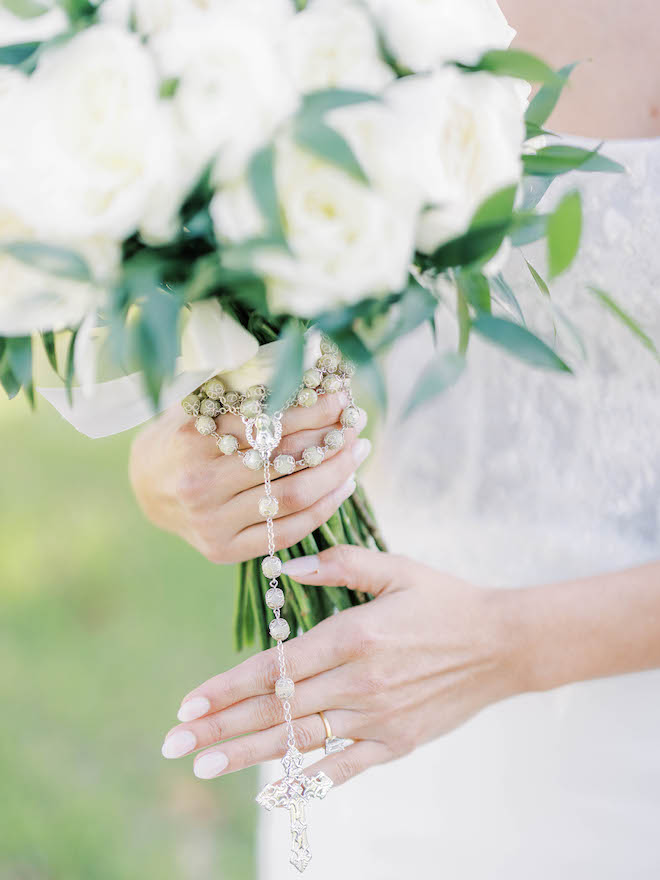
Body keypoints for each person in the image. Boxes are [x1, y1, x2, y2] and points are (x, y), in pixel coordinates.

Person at [130, 1, 660, 876]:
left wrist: (509, 641)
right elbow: (198, 331)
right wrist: (173, 472)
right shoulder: (277, 23)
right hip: (371, 703)